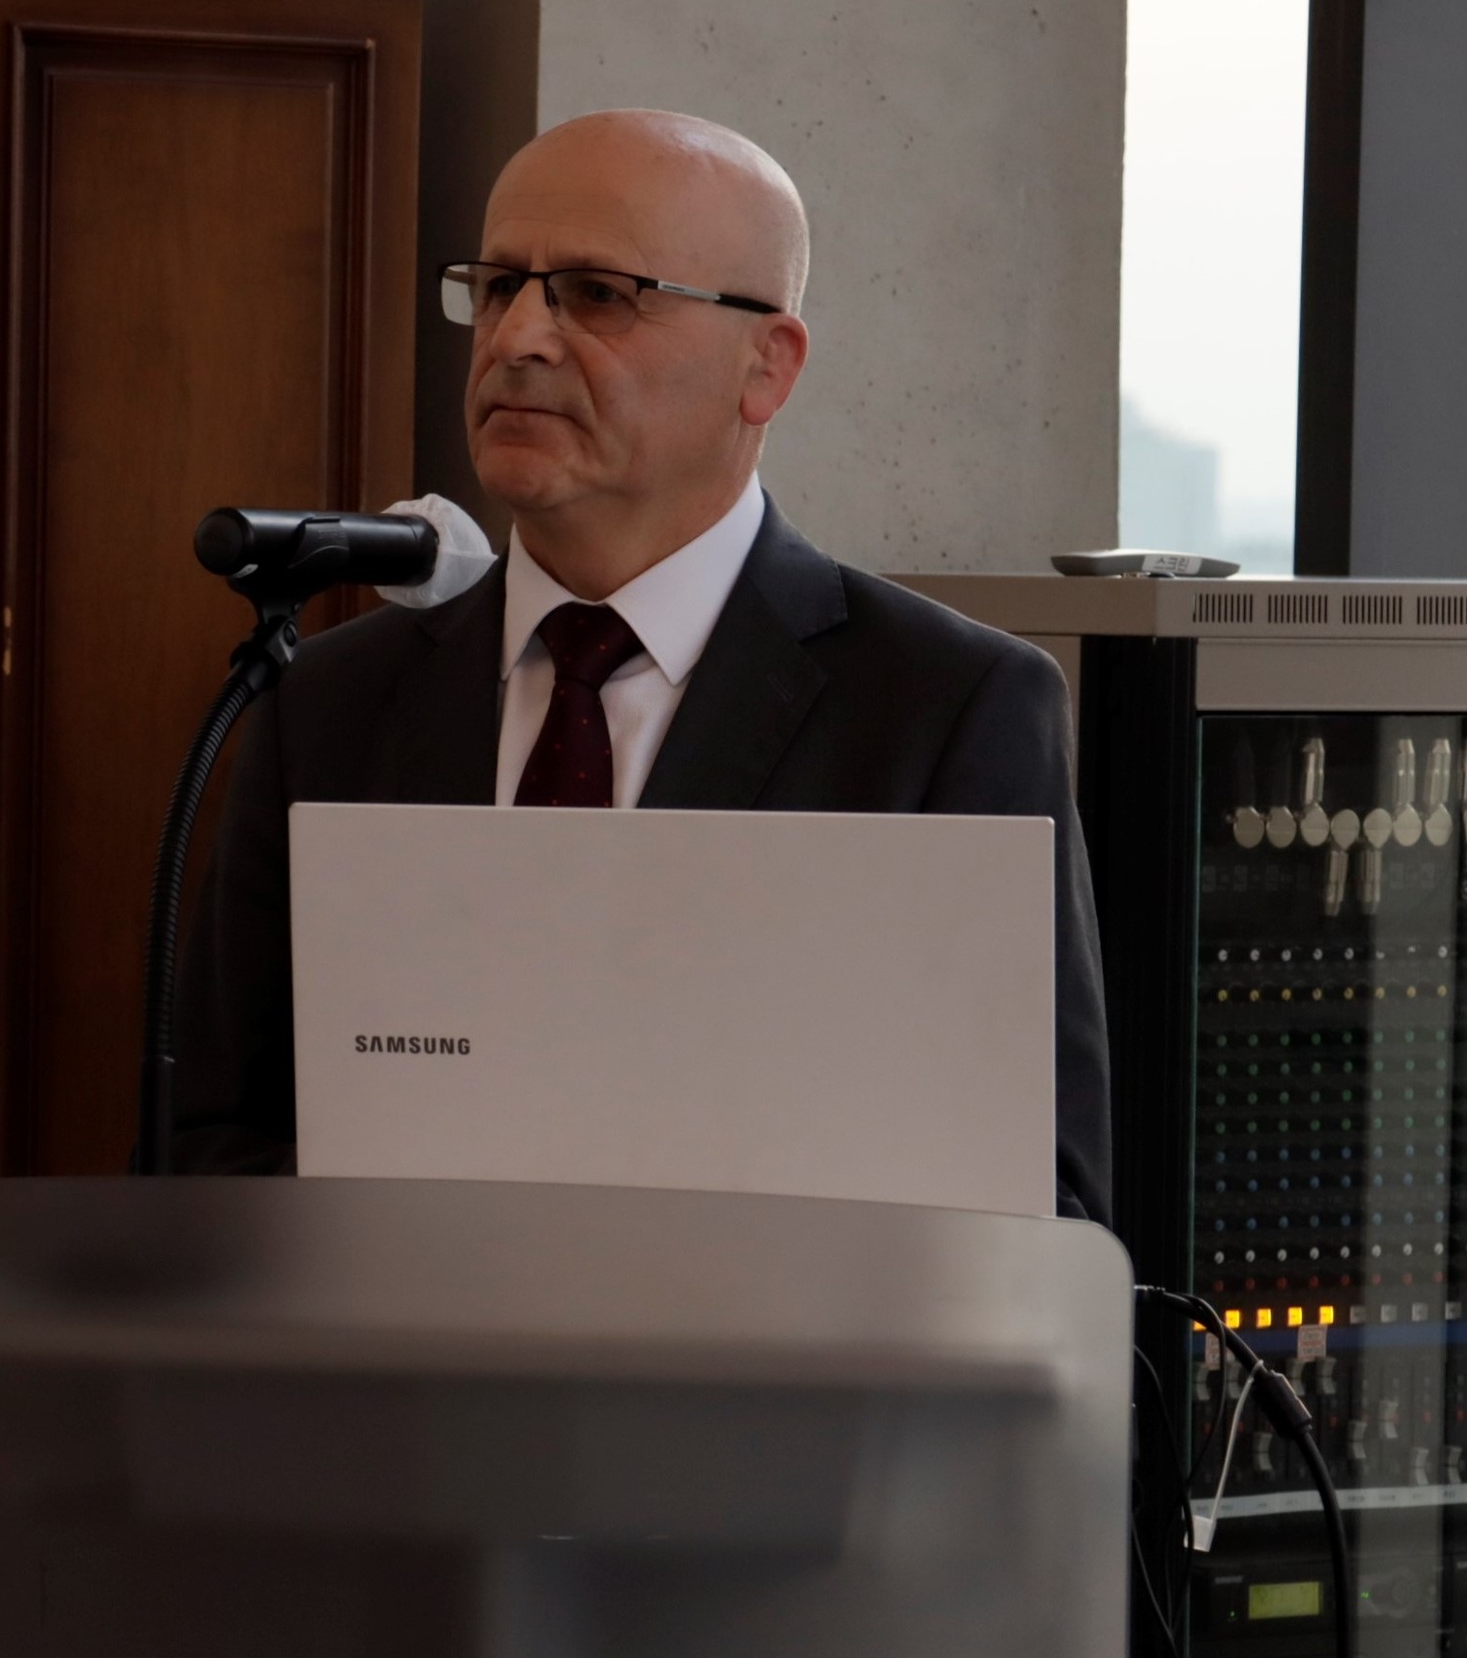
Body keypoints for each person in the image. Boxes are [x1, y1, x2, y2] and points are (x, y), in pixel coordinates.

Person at [175, 109, 1110, 1221]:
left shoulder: (944, 708)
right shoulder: (325, 701)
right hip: (401, 1333)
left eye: (596, 293)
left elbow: (1042, 1209)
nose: (519, 337)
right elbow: (208, 1147)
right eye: (498, 286)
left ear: (767, 367)